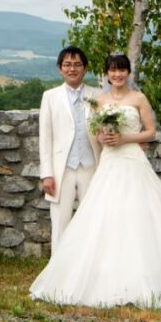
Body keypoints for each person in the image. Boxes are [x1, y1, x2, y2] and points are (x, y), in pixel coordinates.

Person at [30, 53, 161, 309]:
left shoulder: (135, 97)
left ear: (128, 73)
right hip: (102, 162)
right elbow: (92, 131)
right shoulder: (98, 99)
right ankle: (68, 273)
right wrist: (103, 137)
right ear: (107, 73)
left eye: (122, 70)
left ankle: (137, 272)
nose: (117, 75)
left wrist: (127, 139)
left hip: (126, 162)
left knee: (136, 215)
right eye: (113, 70)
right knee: (95, 220)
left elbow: (150, 132)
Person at [38, 46, 102, 252]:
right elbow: (45, 137)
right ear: (60, 68)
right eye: (67, 64)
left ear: (85, 68)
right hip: (61, 168)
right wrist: (47, 173)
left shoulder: (98, 95)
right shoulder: (50, 96)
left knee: (92, 220)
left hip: (91, 166)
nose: (72, 69)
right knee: (60, 222)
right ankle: (57, 274)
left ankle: (90, 268)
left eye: (77, 65)